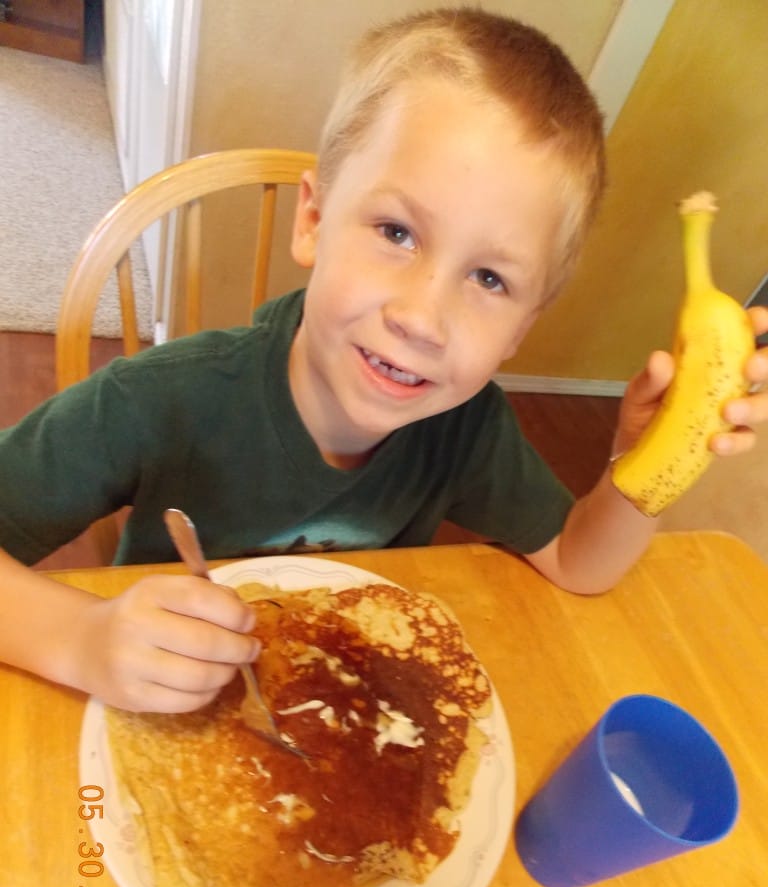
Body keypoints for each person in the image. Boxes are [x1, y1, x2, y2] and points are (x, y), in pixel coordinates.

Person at [1, 8, 766, 713]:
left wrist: (642, 466)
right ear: (314, 219)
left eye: (490, 279)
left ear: (520, 331)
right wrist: (82, 638)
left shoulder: (466, 429)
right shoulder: (158, 401)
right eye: (397, 232)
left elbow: (578, 561)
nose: (422, 318)